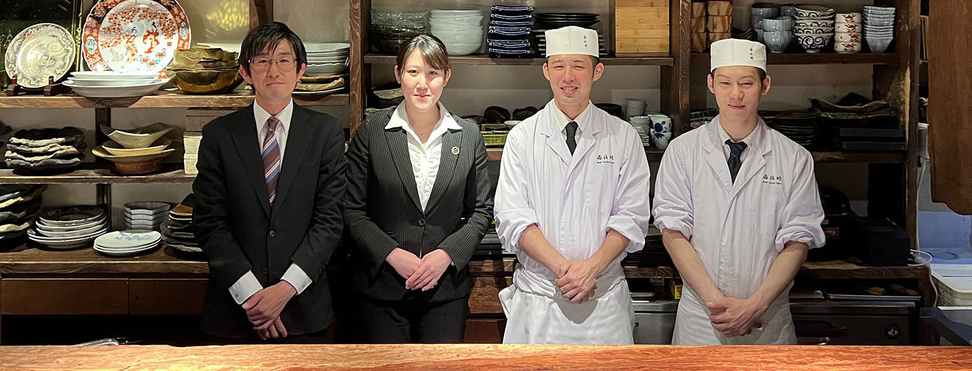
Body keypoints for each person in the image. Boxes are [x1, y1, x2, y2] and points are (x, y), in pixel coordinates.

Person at [652, 38, 825, 345]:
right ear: (711, 84)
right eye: (725, 82)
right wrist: (714, 302)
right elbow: (674, 232)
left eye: (746, 82)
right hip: (702, 320)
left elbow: (798, 240)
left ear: (765, 84)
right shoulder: (682, 151)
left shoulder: (794, 158)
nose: (736, 94)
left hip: (766, 319)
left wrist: (756, 304)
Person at [493, 26, 650, 344]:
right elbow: (512, 217)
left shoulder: (623, 136)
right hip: (540, 300)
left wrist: (591, 269)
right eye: (559, 65)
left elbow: (631, 216)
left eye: (578, 65)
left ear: (597, 71)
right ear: (546, 70)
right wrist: (567, 270)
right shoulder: (522, 137)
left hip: (603, 302)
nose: (568, 76)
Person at [192, 22, 346, 342]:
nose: (273, 69)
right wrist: (252, 297)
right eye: (262, 61)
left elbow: (330, 221)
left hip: (303, 309)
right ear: (246, 73)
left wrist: (285, 290)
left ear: (300, 70)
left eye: (284, 60)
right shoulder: (219, 135)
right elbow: (209, 222)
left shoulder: (325, 133)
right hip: (236, 311)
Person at [343, 34, 494, 342]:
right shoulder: (372, 131)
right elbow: (351, 208)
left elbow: (481, 210)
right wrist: (393, 254)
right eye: (413, 72)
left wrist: (446, 255)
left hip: (445, 289)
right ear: (398, 74)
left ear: (446, 77)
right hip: (381, 286)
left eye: (432, 73)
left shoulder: (467, 135)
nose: (422, 83)